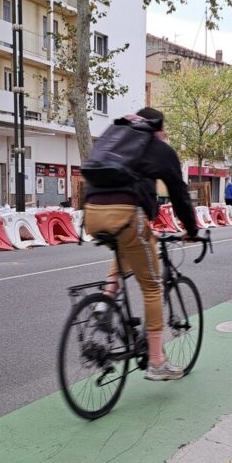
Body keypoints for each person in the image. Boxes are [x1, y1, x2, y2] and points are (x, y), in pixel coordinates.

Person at [83, 107, 198, 381]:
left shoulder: (116, 138)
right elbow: (179, 194)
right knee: (152, 286)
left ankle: (105, 302)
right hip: (126, 215)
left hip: (91, 214)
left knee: (126, 246)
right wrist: (191, 229)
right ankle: (157, 362)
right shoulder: (158, 148)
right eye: (164, 131)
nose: (164, 134)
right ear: (157, 128)